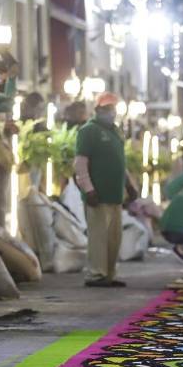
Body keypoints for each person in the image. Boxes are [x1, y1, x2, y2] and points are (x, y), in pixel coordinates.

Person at [75, 92, 134, 287]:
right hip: (97, 195)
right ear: (98, 110)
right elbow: (81, 163)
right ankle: (95, 274)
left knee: (113, 238)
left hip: (115, 195)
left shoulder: (116, 131)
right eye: (107, 109)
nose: (111, 113)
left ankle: (109, 274)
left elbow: (120, 163)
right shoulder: (88, 131)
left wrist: (129, 184)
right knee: (98, 237)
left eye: (113, 109)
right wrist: (88, 188)